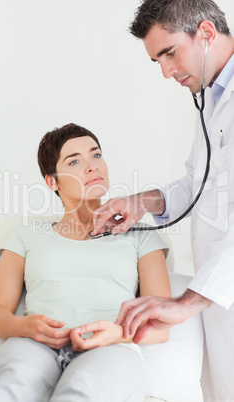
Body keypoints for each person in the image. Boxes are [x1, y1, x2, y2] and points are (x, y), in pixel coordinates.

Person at [91, 0, 234, 400]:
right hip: (221, 301)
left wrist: (185, 304)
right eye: (157, 61)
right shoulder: (212, 97)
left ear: (205, 33)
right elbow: (200, 181)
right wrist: (143, 201)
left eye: (169, 53)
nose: (167, 72)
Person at [0, 123, 171, 402]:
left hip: (110, 347)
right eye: (74, 161)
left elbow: (161, 321)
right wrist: (24, 327)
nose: (91, 166)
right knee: (6, 388)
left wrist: (116, 333)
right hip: (34, 346)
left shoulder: (141, 234)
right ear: (52, 181)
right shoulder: (27, 234)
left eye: (96, 155)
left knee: (81, 394)